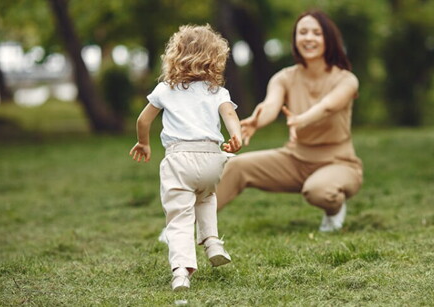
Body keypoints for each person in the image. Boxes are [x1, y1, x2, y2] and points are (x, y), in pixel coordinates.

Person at [216, 10, 362, 232]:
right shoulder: (284, 77)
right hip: (295, 159)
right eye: (302, 32)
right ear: (295, 40)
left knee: (318, 190)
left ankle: (334, 210)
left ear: (328, 39)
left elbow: (328, 106)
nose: (309, 38)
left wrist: (301, 120)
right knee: (237, 166)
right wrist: (257, 121)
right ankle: (184, 227)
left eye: (316, 33)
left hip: (338, 162)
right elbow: (271, 105)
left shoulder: (346, 79)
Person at [129, 24, 242, 291]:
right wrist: (236, 136)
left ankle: (181, 270)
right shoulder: (217, 92)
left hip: (180, 159)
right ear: (215, 59)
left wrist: (143, 143)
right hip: (213, 158)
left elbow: (143, 120)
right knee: (206, 197)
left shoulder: (164, 90)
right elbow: (229, 116)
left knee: (179, 216)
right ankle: (212, 241)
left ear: (175, 56)